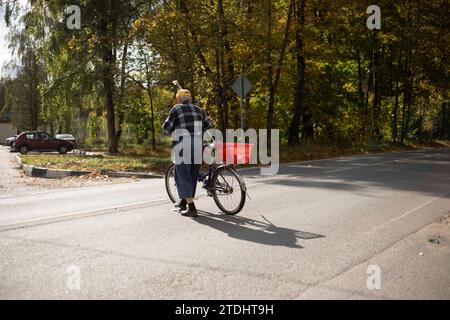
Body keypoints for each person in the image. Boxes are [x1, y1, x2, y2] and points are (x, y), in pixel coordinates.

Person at [163, 89, 212, 217]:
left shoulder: (176, 109)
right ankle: (183, 202)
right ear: (190, 99)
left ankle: (191, 208)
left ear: (178, 99)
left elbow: (167, 128)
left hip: (182, 145)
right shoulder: (199, 109)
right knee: (192, 174)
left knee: (182, 175)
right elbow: (208, 125)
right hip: (197, 145)